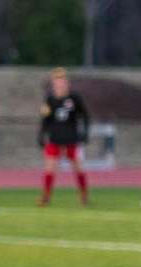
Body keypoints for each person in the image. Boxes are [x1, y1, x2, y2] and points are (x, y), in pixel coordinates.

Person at [38, 67, 90, 206]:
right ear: (53, 83)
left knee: (78, 168)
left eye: (62, 80)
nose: (60, 83)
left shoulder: (74, 98)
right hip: (55, 138)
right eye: (57, 80)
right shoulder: (49, 99)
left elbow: (84, 116)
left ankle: (84, 195)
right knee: (49, 168)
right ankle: (46, 197)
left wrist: (85, 133)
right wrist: (41, 135)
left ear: (67, 82)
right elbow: (45, 119)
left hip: (71, 138)